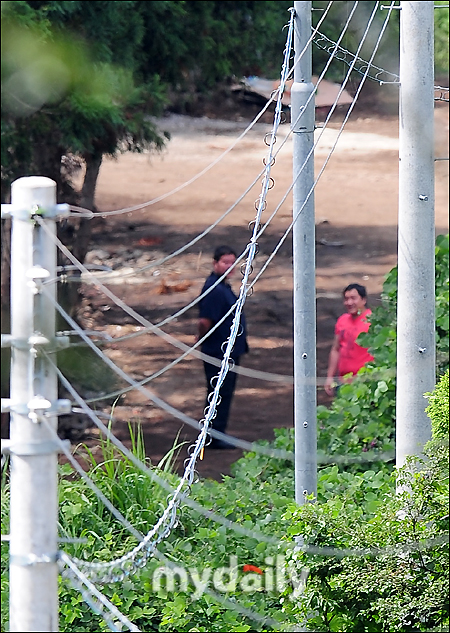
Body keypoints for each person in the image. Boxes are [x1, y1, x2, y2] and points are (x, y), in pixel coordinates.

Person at [198, 245, 248, 449]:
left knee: (224, 391)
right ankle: (212, 436)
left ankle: (217, 432)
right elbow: (204, 321)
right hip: (218, 351)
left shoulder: (223, 286)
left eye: (232, 262)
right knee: (218, 391)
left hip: (229, 350)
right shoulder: (213, 288)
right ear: (215, 263)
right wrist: (201, 338)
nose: (230, 266)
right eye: (225, 262)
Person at [324, 283, 374, 397]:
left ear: (363, 299)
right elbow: (336, 349)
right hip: (343, 381)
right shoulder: (342, 320)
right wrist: (330, 377)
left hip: (364, 382)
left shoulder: (372, 321)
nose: (349, 303)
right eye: (346, 299)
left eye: (353, 298)